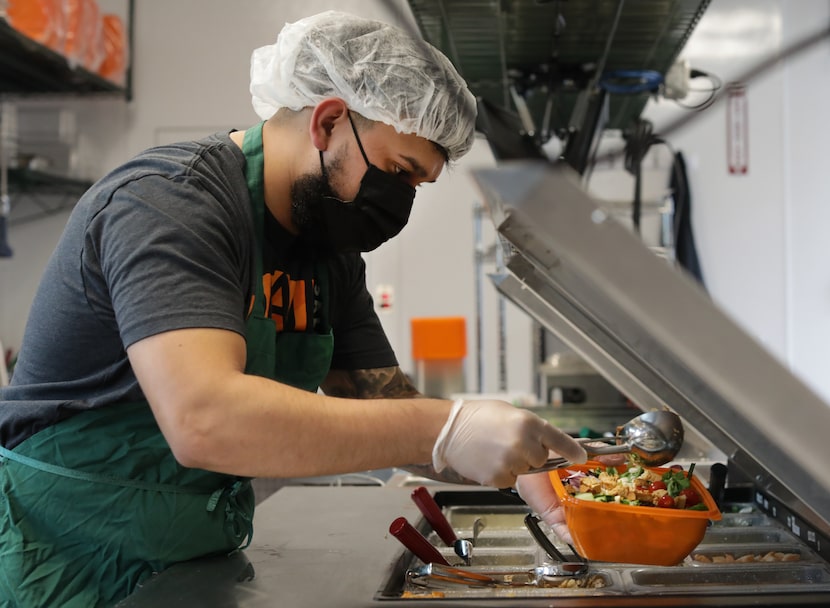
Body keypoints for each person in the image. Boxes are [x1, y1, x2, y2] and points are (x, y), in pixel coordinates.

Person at [0, 10, 585, 607]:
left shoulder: (327, 254)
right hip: (62, 560)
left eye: (416, 187)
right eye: (397, 173)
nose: (399, 205)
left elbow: (384, 405)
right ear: (328, 121)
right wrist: (447, 425)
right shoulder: (171, 202)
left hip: (190, 560)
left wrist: (527, 470)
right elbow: (205, 420)